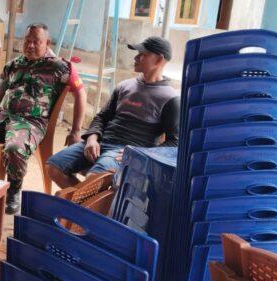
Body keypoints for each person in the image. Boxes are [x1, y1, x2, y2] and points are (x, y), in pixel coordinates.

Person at [0, 23, 87, 214]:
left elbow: (80, 93)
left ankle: (13, 191)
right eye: (27, 41)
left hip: (30, 123)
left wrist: (75, 131)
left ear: (47, 43)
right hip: (2, 118)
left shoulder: (59, 67)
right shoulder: (14, 65)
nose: (30, 45)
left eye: (36, 42)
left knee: (14, 147)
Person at [46, 36, 179, 190]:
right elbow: (102, 117)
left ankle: (80, 201)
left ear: (159, 60)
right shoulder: (124, 86)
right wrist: (92, 138)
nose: (136, 57)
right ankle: (84, 202)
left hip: (126, 152)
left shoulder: (170, 98)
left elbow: (174, 143)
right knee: (53, 167)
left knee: (93, 181)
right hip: (101, 143)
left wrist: (139, 154)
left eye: (143, 54)